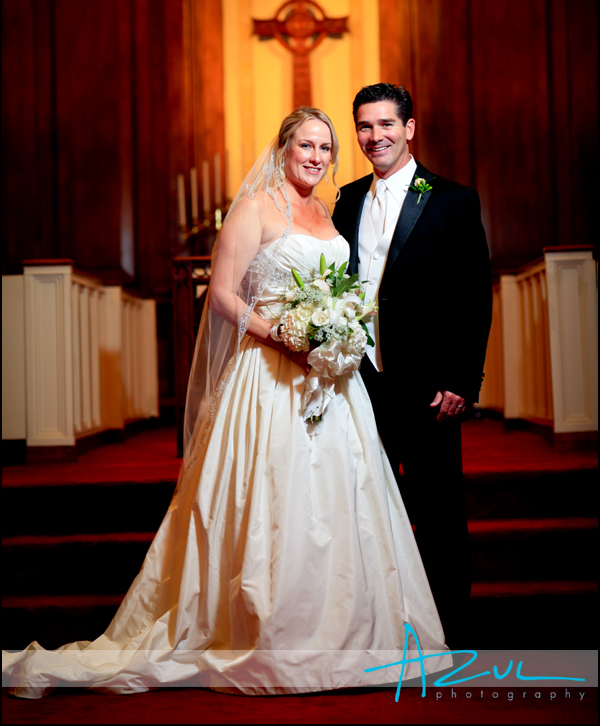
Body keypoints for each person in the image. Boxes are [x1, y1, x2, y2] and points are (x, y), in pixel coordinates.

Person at [3, 108, 450, 698]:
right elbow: (220, 296)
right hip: (267, 380)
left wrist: (337, 334)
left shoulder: (329, 210)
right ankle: (264, 632)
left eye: (325, 147)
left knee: (346, 502)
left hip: (332, 386)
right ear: (284, 147)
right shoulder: (255, 207)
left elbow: (349, 289)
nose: (315, 156)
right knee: (269, 499)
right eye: (305, 145)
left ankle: (350, 630)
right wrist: (284, 334)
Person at [332, 84, 492, 648]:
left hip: (429, 386)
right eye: (364, 127)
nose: (374, 137)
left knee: (438, 510)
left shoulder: (452, 199)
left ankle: (452, 631)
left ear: (410, 129)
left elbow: (474, 297)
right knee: (370, 506)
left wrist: (460, 381)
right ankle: (384, 626)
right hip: (361, 380)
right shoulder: (347, 198)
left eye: (385, 125)